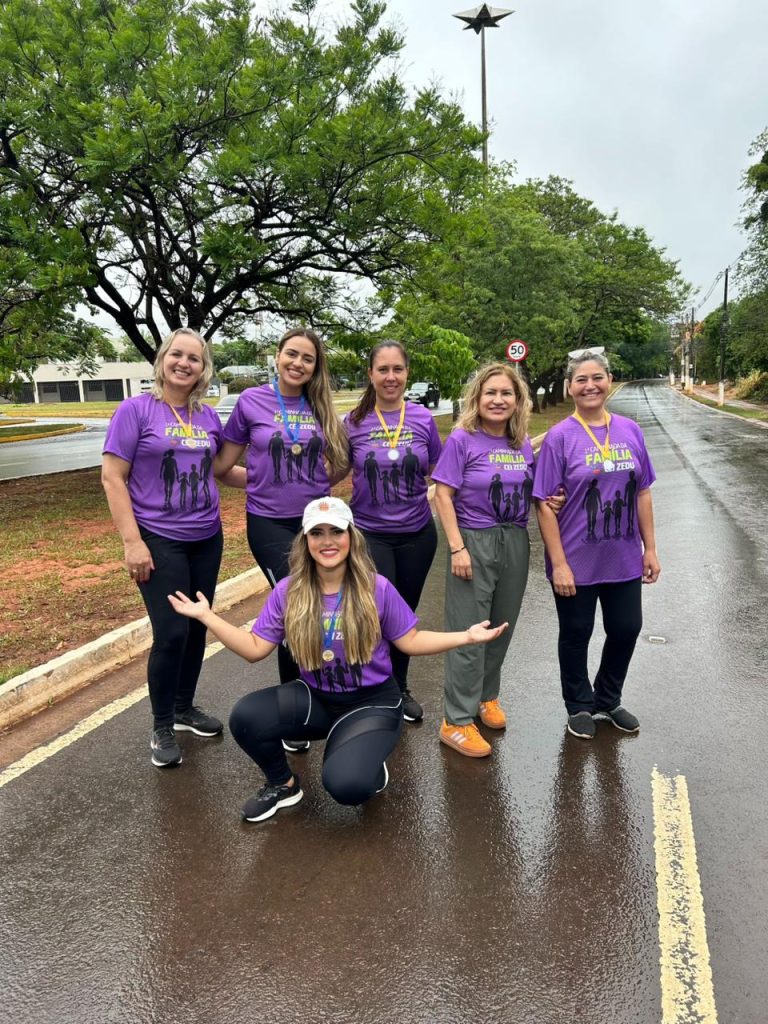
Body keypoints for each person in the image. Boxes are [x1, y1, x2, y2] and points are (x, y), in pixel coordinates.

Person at [168, 497, 508, 822]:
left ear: (351, 537)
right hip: (316, 699)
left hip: (371, 703)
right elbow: (255, 648)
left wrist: (466, 636)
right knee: (246, 717)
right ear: (305, 541)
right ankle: (283, 785)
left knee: (347, 786)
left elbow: (412, 640)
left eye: (336, 532)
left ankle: (365, 757)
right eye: (317, 533)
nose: (327, 541)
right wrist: (207, 617)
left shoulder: (377, 588)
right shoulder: (288, 591)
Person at [214, 327, 349, 752]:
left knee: (319, 608)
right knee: (296, 608)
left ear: (315, 367)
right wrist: (261, 483)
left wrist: (315, 482)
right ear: (278, 355)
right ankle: (294, 709)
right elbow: (222, 467)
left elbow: (341, 463)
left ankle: (316, 698)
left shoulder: (321, 405)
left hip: (314, 523)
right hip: (269, 523)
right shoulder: (251, 401)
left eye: (307, 359)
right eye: (292, 354)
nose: (298, 364)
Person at [102, 328, 231, 768]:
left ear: (203, 369)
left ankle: (183, 708)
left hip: (206, 538)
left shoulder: (207, 417)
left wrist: (282, 479)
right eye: (177, 354)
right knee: (172, 632)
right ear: (162, 360)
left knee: (197, 627)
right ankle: (160, 725)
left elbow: (220, 472)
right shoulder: (136, 410)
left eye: (194, 358)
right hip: (159, 538)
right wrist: (132, 542)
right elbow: (112, 477)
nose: (184, 363)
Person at [433, 362, 563, 757]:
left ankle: (485, 697)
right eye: (490, 392)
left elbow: (533, 489)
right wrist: (457, 547)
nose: (498, 399)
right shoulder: (462, 440)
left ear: (517, 400)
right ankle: (455, 720)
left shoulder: (520, 442)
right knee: (470, 630)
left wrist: (552, 499)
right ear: (477, 397)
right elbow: (442, 494)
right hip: (474, 540)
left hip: (514, 539)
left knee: (501, 624)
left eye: (506, 393)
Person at [533, 350, 661, 739]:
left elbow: (642, 492)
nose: (590, 386)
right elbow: (543, 503)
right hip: (576, 559)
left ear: (609, 380)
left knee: (626, 628)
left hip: (622, 557)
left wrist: (650, 548)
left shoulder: (629, 430)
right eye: (581, 380)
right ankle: (578, 705)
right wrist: (559, 564)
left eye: (597, 378)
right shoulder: (559, 438)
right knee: (576, 633)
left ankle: (608, 698)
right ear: (570, 387)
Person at [345, 340, 442, 723]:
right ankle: (369, 688)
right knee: (375, 616)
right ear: (370, 374)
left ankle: (398, 687)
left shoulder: (422, 418)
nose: (390, 377)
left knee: (405, 616)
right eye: (382, 369)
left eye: (397, 369)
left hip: (419, 533)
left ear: (407, 374)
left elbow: (440, 470)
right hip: (371, 536)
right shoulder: (352, 421)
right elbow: (332, 470)